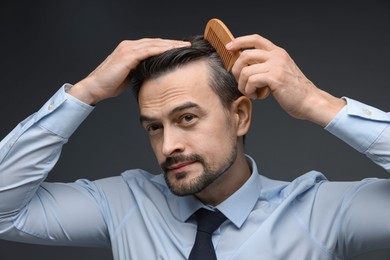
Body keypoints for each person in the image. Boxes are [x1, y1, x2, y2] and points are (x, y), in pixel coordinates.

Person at [0, 31, 389, 260]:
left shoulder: (324, 212)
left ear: (240, 116)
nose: (168, 145)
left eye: (187, 118)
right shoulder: (122, 203)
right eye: (154, 127)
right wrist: (84, 94)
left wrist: (317, 104)